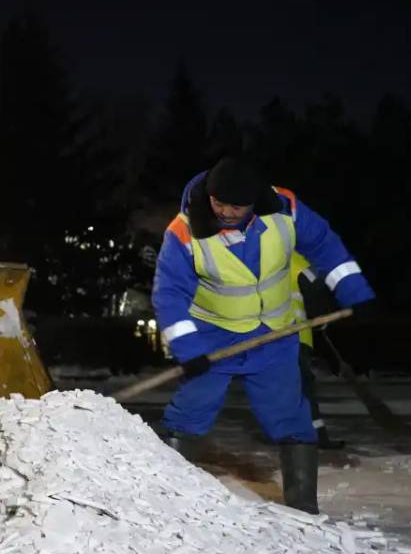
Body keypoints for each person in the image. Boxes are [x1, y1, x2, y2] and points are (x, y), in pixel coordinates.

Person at [151, 156, 375, 514]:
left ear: (254, 201)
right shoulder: (183, 231)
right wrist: (187, 347)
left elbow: (324, 245)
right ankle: (163, 499)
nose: (225, 212)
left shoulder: (286, 208)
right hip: (213, 337)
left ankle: (304, 507)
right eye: (219, 203)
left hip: (274, 334)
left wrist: (353, 290)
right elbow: (169, 292)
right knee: (190, 411)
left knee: (291, 414)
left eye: (236, 206)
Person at [291, 252, 346, 449]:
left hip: (266, 338)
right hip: (295, 336)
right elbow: (313, 288)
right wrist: (319, 317)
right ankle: (314, 435)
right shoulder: (297, 261)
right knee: (303, 387)